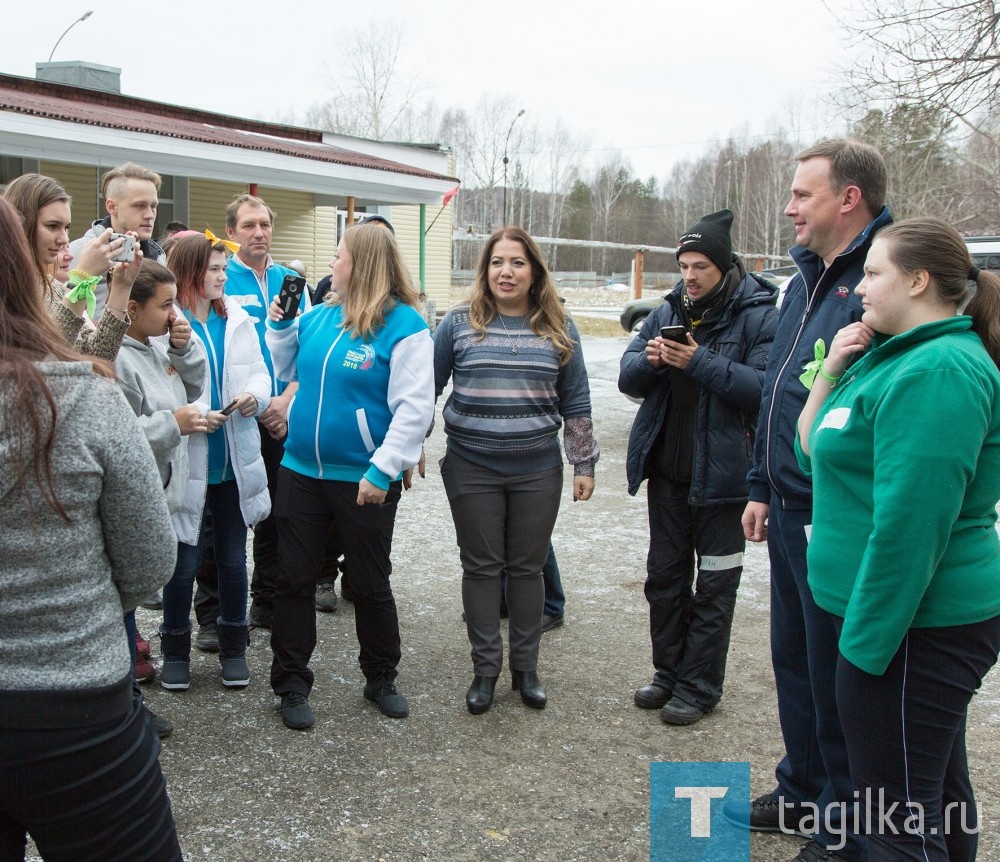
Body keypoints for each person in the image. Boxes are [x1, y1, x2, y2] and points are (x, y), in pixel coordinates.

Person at [795, 218, 1000, 861]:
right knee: (930, 790)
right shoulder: (893, 357)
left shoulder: (938, 368)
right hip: (882, 619)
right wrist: (835, 368)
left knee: (894, 823)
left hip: (911, 625)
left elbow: (912, 528)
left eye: (874, 273)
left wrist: (864, 648)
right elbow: (812, 452)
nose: (859, 288)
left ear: (916, 280)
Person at [0, 196, 183, 861]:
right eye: (48, 229)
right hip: (74, 709)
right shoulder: (80, 393)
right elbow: (146, 560)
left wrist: (107, 290)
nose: (61, 238)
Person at [726, 140, 891, 862]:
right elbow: (780, 388)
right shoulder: (806, 279)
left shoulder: (883, 281)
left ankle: (845, 815)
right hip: (789, 502)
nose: (790, 208)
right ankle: (803, 790)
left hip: (839, 511)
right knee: (794, 659)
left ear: (847, 198)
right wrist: (762, 483)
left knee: (837, 674)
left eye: (802, 195)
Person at [265, 220, 434, 730]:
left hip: (363, 479)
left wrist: (382, 469)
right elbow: (288, 369)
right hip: (300, 469)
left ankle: (381, 676)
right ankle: (291, 684)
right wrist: (279, 326)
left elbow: (414, 409)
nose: (330, 266)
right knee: (293, 579)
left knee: (368, 580)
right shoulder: (320, 317)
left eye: (338, 257)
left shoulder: (405, 326)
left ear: (360, 266)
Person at [620, 209, 779, 726]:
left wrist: (697, 362)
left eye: (700, 266)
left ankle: (699, 686)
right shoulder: (666, 308)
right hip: (668, 475)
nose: (689, 276)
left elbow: (763, 389)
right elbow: (626, 378)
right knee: (663, 580)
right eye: (684, 265)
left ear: (724, 265)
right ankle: (668, 674)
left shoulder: (759, 314)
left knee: (714, 586)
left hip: (726, 483)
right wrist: (650, 360)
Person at [434, 226, 599, 716]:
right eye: (497, 262)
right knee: (482, 568)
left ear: (535, 271)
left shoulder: (558, 326)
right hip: (470, 466)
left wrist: (582, 462)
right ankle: (485, 670)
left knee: (527, 569)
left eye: (518, 263)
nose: (506, 272)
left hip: (536, 470)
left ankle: (526, 669)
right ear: (485, 270)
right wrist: (411, 445)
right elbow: (427, 386)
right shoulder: (459, 323)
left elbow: (577, 400)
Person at [158, 234, 271, 691]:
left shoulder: (238, 319)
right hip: (189, 461)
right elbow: (160, 391)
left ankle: (233, 649)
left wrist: (256, 396)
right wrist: (185, 417)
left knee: (231, 558)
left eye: (225, 270)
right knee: (182, 562)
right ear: (189, 272)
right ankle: (175, 652)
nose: (224, 277)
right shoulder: (168, 326)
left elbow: (262, 371)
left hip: (232, 462)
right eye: (215, 270)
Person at [224, 194, 302, 631]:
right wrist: (255, 405)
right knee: (225, 519)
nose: (259, 233)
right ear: (232, 232)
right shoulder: (220, 276)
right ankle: (215, 611)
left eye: (265, 225)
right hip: (237, 416)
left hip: (281, 415)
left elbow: (306, 350)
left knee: (276, 513)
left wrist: (283, 402)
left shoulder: (291, 281)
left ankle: (267, 603)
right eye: (249, 225)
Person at [2, 172, 140, 362]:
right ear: (20, 224)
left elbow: (98, 356)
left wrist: (122, 287)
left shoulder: (53, 287)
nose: (64, 239)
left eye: (66, 227)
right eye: (52, 226)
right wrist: (81, 280)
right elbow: (47, 360)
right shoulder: (7, 290)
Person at [69, 161, 166, 319]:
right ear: (112, 206)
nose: (150, 214)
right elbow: (66, 321)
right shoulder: (81, 251)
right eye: (139, 206)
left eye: (153, 206)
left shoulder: (158, 257)